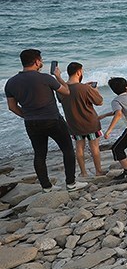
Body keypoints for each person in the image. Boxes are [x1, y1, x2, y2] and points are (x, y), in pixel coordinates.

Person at [4, 49, 87, 192]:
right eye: (40, 60)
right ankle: (71, 183)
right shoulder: (46, 78)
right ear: (36, 62)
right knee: (67, 150)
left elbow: (12, 107)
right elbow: (66, 92)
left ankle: (46, 187)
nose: (41, 62)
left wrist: (28, 116)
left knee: (40, 154)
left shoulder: (11, 83)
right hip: (52, 119)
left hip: (31, 123)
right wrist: (58, 77)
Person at [58, 62, 106, 178]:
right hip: (90, 123)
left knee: (79, 147)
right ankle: (98, 171)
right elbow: (99, 102)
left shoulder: (61, 89)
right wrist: (94, 90)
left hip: (73, 124)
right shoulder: (85, 88)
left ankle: (83, 172)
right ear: (79, 72)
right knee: (94, 146)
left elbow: (67, 97)